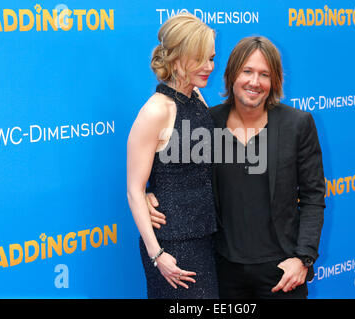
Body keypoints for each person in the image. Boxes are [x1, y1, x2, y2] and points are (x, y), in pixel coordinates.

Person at [148, 36, 325, 299]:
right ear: (231, 75)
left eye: (264, 74)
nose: (255, 82)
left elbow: (313, 197)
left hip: (281, 272)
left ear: (274, 81)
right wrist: (150, 194)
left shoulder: (297, 125)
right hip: (222, 271)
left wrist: (303, 259)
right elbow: (179, 172)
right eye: (247, 71)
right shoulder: (208, 122)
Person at [126, 13, 218, 299]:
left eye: (212, 58)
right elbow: (133, 190)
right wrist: (158, 256)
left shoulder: (197, 98)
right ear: (177, 60)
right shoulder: (155, 111)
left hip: (206, 234)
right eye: (201, 59)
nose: (209, 67)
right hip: (173, 246)